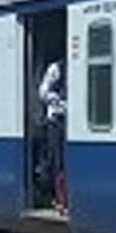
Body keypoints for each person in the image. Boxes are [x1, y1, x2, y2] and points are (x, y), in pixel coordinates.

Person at [38, 57, 67, 212]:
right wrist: (57, 99)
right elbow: (43, 92)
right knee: (58, 160)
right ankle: (60, 200)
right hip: (56, 120)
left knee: (65, 160)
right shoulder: (56, 68)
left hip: (71, 120)